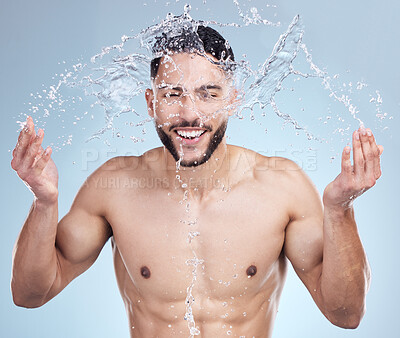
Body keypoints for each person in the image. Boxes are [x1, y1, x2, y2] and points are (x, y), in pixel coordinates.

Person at [10, 25, 383, 337]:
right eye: (172, 94)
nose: (190, 113)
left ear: (233, 100)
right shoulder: (113, 186)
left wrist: (339, 211)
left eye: (209, 94)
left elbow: (345, 314)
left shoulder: (281, 187)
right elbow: (30, 294)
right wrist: (43, 203)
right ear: (149, 101)